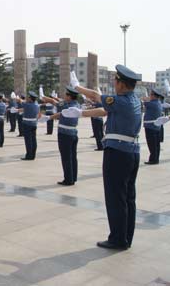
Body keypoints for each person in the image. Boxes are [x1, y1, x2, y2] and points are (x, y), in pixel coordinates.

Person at [62, 65, 142, 250]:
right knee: (128, 197)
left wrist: (78, 87)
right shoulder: (134, 100)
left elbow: (97, 97)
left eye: (116, 81)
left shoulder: (121, 101)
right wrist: (82, 113)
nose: (114, 83)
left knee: (115, 197)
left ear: (122, 85)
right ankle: (125, 237)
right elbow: (104, 111)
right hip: (131, 152)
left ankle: (117, 239)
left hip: (118, 153)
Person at [42, 86, 80, 185]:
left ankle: (68, 179)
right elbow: (61, 113)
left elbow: (56, 103)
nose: (65, 96)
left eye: (66, 95)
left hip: (65, 134)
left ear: (70, 97)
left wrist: (47, 98)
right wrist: (49, 117)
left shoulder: (67, 106)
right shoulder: (77, 105)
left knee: (66, 157)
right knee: (73, 157)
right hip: (73, 133)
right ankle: (73, 177)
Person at [16, 92, 40, 160]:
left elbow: (19, 100)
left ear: (31, 99)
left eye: (29, 97)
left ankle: (29, 155)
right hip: (34, 124)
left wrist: (17, 97)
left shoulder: (27, 105)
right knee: (33, 140)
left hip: (27, 124)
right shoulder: (37, 105)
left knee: (28, 141)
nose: (27, 98)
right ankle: (33, 155)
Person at [142, 89, 164, 165]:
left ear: (154, 96)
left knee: (152, 144)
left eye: (151, 95)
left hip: (150, 127)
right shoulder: (158, 103)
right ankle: (155, 159)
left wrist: (145, 98)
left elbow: (144, 101)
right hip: (156, 127)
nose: (150, 96)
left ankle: (153, 160)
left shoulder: (152, 104)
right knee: (156, 145)